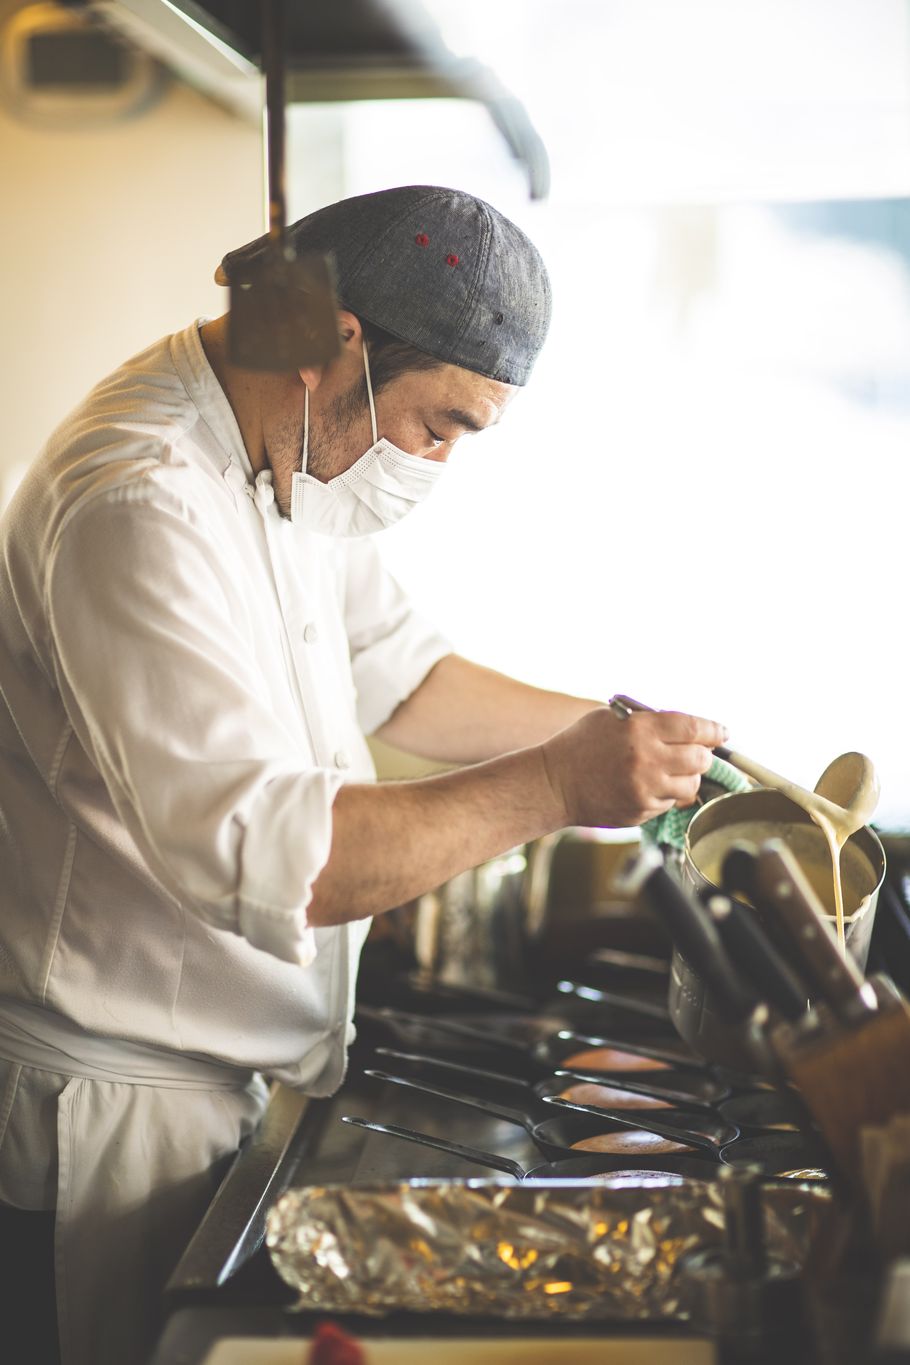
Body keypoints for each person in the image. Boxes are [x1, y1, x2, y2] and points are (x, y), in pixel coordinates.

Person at [0, 184, 727, 1365]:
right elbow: (294, 861)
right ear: (339, 345)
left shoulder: (283, 447)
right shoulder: (139, 502)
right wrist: (556, 788)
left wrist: (652, 750)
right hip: (110, 1123)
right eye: (443, 424)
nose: (437, 461)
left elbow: (405, 680)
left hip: (226, 1078)